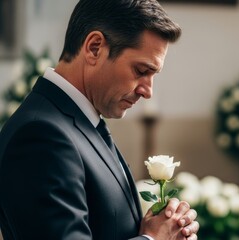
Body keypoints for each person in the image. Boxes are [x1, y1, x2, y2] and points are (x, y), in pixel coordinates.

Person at [0, 0, 199, 239]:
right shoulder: (40, 134)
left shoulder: (79, 120)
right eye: (141, 71)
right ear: (94, 48)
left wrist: (161, 227)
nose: (148, 91)